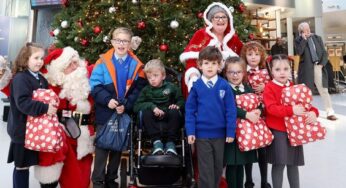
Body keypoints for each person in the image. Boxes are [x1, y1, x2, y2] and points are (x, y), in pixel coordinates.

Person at [90, 27, 146, 188]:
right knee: (102, 148)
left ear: (130, 43)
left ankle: (111, 180)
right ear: (113, 41)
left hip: (123, 112)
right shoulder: (102, 62)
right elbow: (95, 86)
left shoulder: (136, 65)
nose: (121, 44)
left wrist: (126, 106)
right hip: (105, 110)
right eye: (118, 40)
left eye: (125, 41)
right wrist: (107, 100)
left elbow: (138, 89)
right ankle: (98, 182)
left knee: (117, 147)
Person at [33, 46, 96, 188]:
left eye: (76, 62)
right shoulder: (52, 86)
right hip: (63, 136)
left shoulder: (83, 83)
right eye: (70, 64)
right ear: (60, 69)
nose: (76, 67)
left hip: (83, 135)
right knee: (64, 177)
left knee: (81, 180)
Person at [263, 54, 319, 188]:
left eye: (285, 69)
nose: (282, 72)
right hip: (278, 131)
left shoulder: (294, 86)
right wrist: (291, 110)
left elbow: (306, 104)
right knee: (279, 163)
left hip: (294, 131)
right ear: (271, 70)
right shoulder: (269, 87)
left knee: (293, 163)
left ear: (290, 69)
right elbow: (271, 109)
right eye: (277, 69)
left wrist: (313, 112)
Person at [6, 42, 57, 188]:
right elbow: (23, 102)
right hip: (22, 131)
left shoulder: (41, 79)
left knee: (31, 163)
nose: (40, 62)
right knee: (22, 166)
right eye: (36, 58)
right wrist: (45, 107)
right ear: (25, 58)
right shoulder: (20, 78)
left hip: (36, 131)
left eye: (42, 58)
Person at [185, 46, 236, 188]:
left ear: (219, 66)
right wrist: (191, 131)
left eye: (214, 63)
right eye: (206, 63)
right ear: (200, 65)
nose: (210, 67)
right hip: (202, 135)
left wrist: (231, 131)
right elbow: (190, 110)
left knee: (217, 167)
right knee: (206, 168)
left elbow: (231, 110)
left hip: (220, 135)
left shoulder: (224, 85)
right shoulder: (196, 86)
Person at [180, 2, 243, 98]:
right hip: (202, 76)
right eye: (216, 17)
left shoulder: (233, 38)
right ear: (210, 20)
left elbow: (243, 56)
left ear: (228, 19)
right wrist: (193, 76)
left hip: (227, 78)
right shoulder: (201, 34)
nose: (220, 20)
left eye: (223, 17)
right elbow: (191, 58)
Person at [133, 59, 184, 155]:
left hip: (168, 115)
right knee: (145, 112)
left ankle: (170, 143)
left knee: (175, 112)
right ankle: (157, 142)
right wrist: (152, 107)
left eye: (155, 76)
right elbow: (136, 106)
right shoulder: (146, 90)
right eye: (149, 77)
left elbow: (181, 100)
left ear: (163, 76)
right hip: (152, 118)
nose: (152, 79)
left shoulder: (171, 87)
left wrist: (177, 106)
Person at [223, 56, 258, 188]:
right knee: (232, 164)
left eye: (238, 72)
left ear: (243, 73)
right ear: (226, 73)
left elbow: (256, 102)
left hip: (246, 133)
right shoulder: (225, 88)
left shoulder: (247, 88)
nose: (235, 75)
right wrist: (246, 114)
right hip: (232, 131)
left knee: (241, 163)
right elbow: (228, 107)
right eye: (231, 72)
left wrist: (258, 110)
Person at [240, 41, 271, 188]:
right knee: (249, 147)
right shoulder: (242, 73)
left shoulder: (266, 73)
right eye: (250, 54)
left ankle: (264, 181)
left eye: (257, 54)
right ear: (245, 56)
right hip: (248, 114)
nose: (253, 57)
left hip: (263, 113)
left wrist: (266, 86)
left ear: (262, 56)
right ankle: (248, 180)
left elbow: (274, 89)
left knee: (262, 149)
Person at [294, 22, 337, 121]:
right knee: (307, 91)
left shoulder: (317, 38)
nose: (308, 31)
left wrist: (322, 64)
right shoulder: (298, 40)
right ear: (301, 32)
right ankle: (306, 113)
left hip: (318, 66)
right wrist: (304, 40)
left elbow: (324, 52)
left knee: (323, 89)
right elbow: (299, 52)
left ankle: (330, 112)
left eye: (308, 29)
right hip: (306, 69)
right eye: (305, 30)